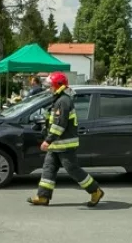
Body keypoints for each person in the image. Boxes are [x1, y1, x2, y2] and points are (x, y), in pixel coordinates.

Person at [27, 72, 104, 207]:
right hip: (56, 145)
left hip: (64, 145)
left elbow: (59, 125)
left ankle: (95, 190)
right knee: (48, 169)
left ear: (58, 86)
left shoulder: (63, 101)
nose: (49, 88)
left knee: (72, 169)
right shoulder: (59, 99)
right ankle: (43, 196)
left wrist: (48, 140)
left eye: (51, 85)